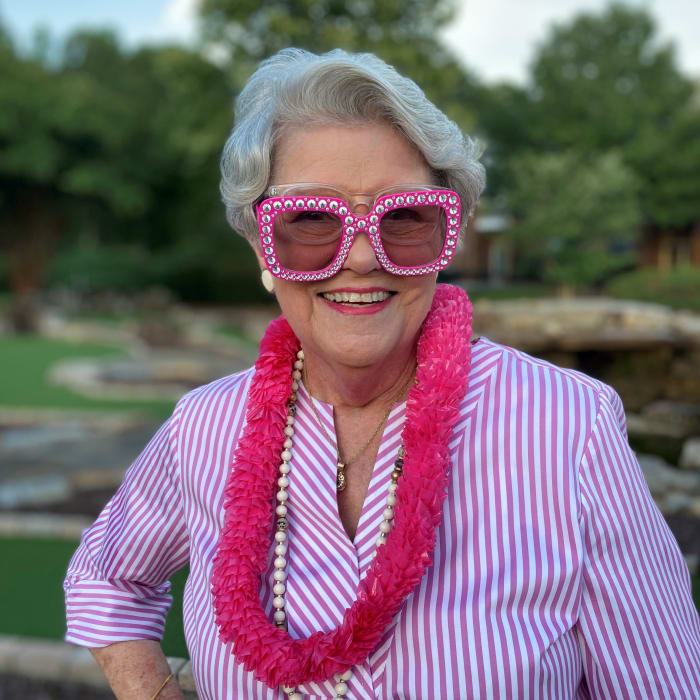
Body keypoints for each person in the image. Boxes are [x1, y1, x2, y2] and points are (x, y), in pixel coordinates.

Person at [64, 48, 700, 700]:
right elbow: (105, 574)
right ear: (261, 244)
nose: (364, 256)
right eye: (310, 221)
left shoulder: (569, 426)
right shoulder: (205, 427)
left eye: (405, 218)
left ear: (448, 234)